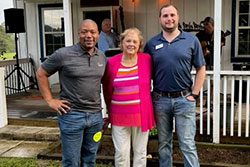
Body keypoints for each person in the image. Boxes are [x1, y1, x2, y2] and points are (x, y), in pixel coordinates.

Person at [36, 19, 106, 167]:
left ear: (98, 34)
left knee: (89, 159)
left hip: (95, 117)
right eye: (84, 32)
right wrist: (50, 100)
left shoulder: (101, 57)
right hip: (72, 115)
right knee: (71, 162)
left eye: (92, 32)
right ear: (78, 34)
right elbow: (41, 73)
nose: (89, 35)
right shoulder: (63, 54)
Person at [144, 4, 206, 167]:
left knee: (187, 143)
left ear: (177, 17)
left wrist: (195, 94)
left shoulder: (191, 40)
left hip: (184, 99)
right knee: (163, 143)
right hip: (160, 99)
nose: (169, 18)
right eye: (165, 15)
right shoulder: (151, 44)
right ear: (160, 19)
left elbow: (201, 68)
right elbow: (144, 71)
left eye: (172, 15)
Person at [102, 27, 155, 167]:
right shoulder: (112, 62)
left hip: (141, 114)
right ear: (121, 42)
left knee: (140, 153)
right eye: (128, 41)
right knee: (121, 153)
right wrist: (109, 108)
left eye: (135, 41)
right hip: (119, 116)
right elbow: (107, 88)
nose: (131, 44)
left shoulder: (146, 59)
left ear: (139, 45)